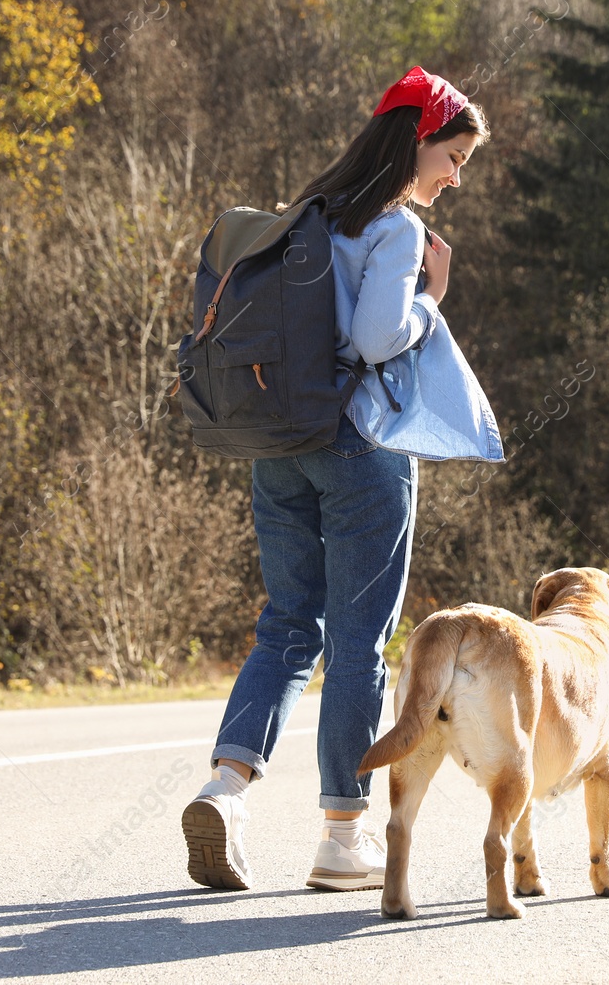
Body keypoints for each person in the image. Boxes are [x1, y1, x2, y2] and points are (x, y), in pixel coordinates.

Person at [181, 66, 496, 893]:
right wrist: (432, 296)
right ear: (417, 141)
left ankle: (227, 788)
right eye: (454, 156)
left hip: (279, 444)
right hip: (360, 448)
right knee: (359, 640)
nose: (455, 177)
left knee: (288, 623)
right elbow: (377, 333)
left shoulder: (307, 216)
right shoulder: (391, 228)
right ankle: (342, 835)